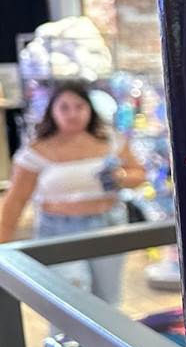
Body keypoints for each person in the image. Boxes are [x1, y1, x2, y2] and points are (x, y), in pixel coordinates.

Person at [0, 82, 146, 304]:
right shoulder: (35, 151)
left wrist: (120, 177)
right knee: (71, 294)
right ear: (52, 111)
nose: (72, 114)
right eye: (64, 107)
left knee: (108, 299)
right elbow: (15, 200)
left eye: (79, 106)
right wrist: (3, 243)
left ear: (89, 108)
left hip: (108, 224)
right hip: (57, 229)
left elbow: (139, 175)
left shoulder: (111, 140)